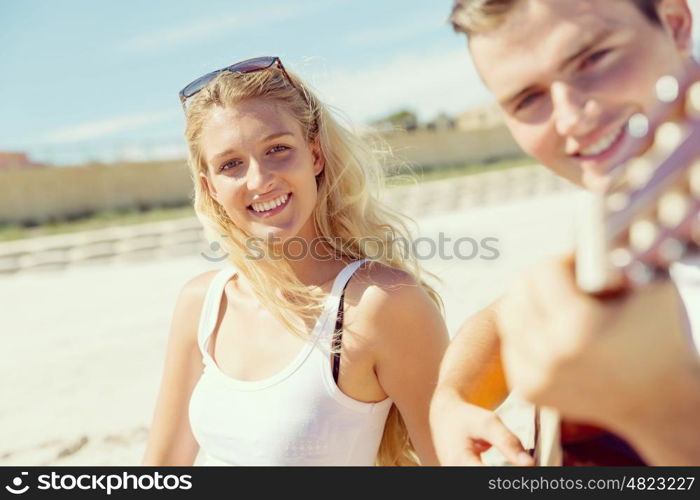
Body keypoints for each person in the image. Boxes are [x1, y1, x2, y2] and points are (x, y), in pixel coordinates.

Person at [430, 0, 700, 466]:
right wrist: (451, 399)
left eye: (592, 59)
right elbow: (518, 310)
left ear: (675, 24)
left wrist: (660, 418)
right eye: (527, 99)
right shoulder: (639, 207)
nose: (571, 118)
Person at [141, 57, 449, 466]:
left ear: (315, 156)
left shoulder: (381, 303)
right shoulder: (202, 303)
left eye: (278, 150)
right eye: (230, 164)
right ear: (210, 186)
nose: (259, 180)